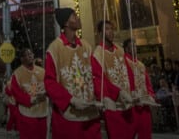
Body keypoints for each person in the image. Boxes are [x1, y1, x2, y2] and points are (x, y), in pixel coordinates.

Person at [44, 7, 100, 139]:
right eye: (74, 16)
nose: (78, 18)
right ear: (66, 23)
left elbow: (96, 75)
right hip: (68, 115)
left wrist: (104, 95)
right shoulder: (54, 48)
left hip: (90, 112)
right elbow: (49, 82)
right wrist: (70, 99)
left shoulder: (86, 45)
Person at [92, 20, 135, 139]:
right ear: (100, 33)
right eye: (107, 29)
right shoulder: (98, 54)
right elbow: (99, 80)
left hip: (128, 102)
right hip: (113, 104)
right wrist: (116, 93)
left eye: (112, 29)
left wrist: (133, 90)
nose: (111, 32)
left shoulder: (120, 50)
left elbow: (128, 71)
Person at [9, 47, 48, 139]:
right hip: (27, 113)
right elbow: (16, 93)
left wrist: (46, 92)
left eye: (31, 54)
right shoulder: (17, 74)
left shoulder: (42, 71)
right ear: (22, 59)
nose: (31, 56)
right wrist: (30, 99)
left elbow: (49, 85)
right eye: (28, 54)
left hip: (42, 111)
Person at [122, 39, 155, 139]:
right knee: (129, 133)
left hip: (144, 104)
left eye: (135, 46)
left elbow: (147, 83)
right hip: (131, 104)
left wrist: (150, 95)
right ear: (126, 49)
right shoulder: (123, 62)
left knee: (145, 133)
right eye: (132, 46)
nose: (135, 49)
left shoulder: (141, 65)